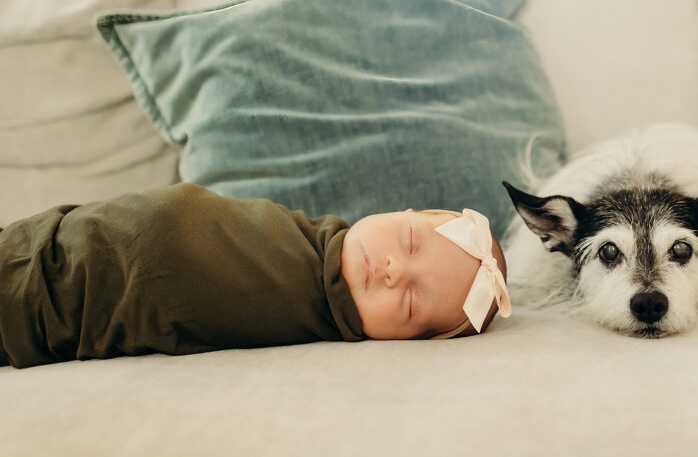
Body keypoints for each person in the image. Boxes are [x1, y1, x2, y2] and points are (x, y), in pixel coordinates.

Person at [0, 183, 510, 369]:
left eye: (413, 303)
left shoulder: (311, 316)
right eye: (410, 240)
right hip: (58, 242)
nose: (396, 271)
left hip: (49, 305)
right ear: (405, 209)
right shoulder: (310, 239)